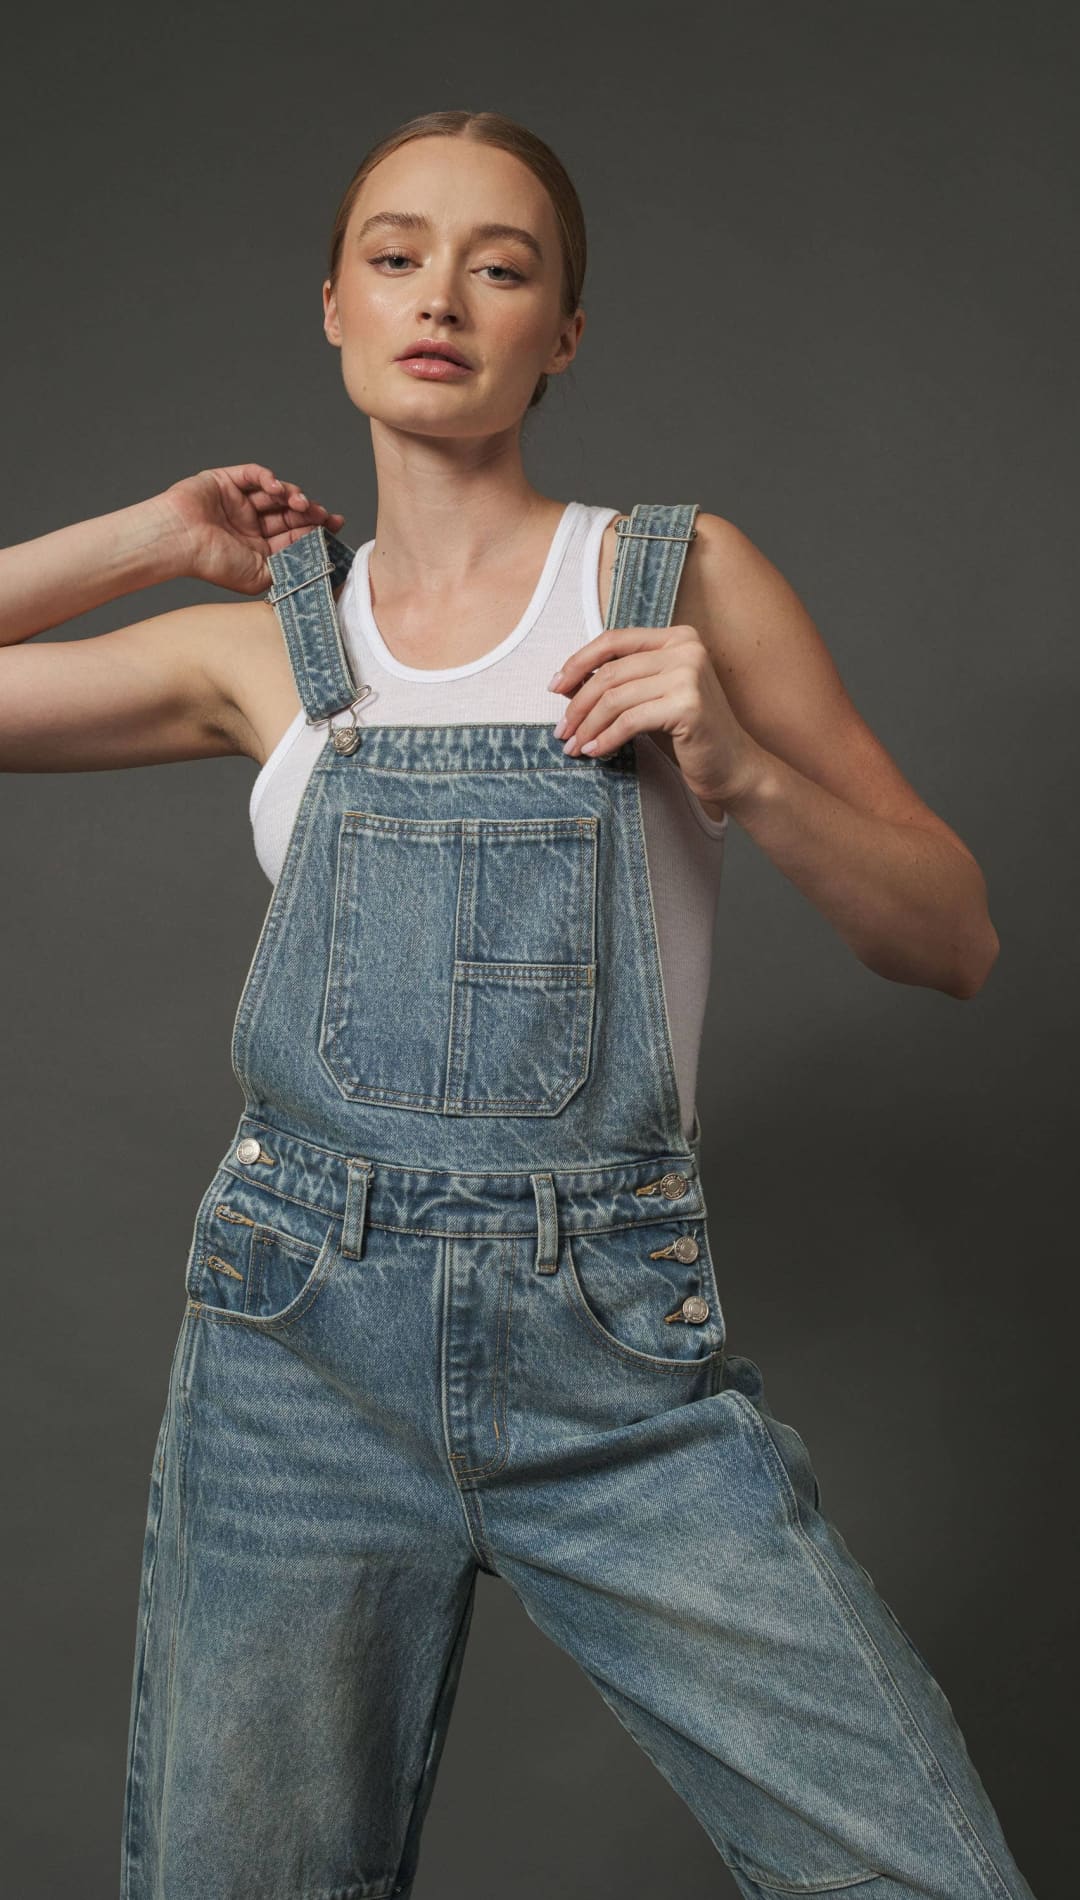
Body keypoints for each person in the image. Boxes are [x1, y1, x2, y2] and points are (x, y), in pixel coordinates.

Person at [0, 108, 1035, 1900]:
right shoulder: (266, 649)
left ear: (564, 330)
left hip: (613, 1355)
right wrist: (145, 537)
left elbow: (954, 939)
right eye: (397, 256)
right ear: (330, 304)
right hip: (295, 1353)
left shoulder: (676, 577)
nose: (444, 297)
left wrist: (741, 773)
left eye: (504, 264)